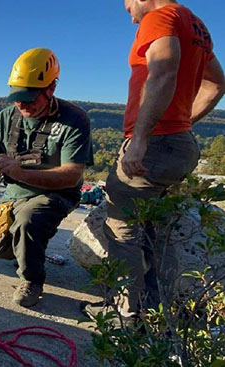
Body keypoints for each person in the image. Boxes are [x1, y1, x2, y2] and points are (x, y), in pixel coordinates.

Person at [102, 0, 224, 317]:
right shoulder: (197, 25)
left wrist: (141, 139)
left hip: (153, 145)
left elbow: (164, 72)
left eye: (128, 6)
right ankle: (160, 311)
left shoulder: (160, 17)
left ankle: (126, 316)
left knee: (122, 231)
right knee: (158, 231)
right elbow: (217, 85)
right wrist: (182, 124)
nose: (130, 17)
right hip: (180, 145)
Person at [0, 48, 94, 308]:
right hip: (15, 194)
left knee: (30, 220)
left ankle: (32, 280)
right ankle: (27, 249)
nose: (22, 104)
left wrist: (19, 171)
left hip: (56, 194)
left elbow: (72, 175)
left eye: (29, 97)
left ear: (50, 89)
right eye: (17, 97)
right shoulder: (6, 118)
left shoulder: (74, 120)